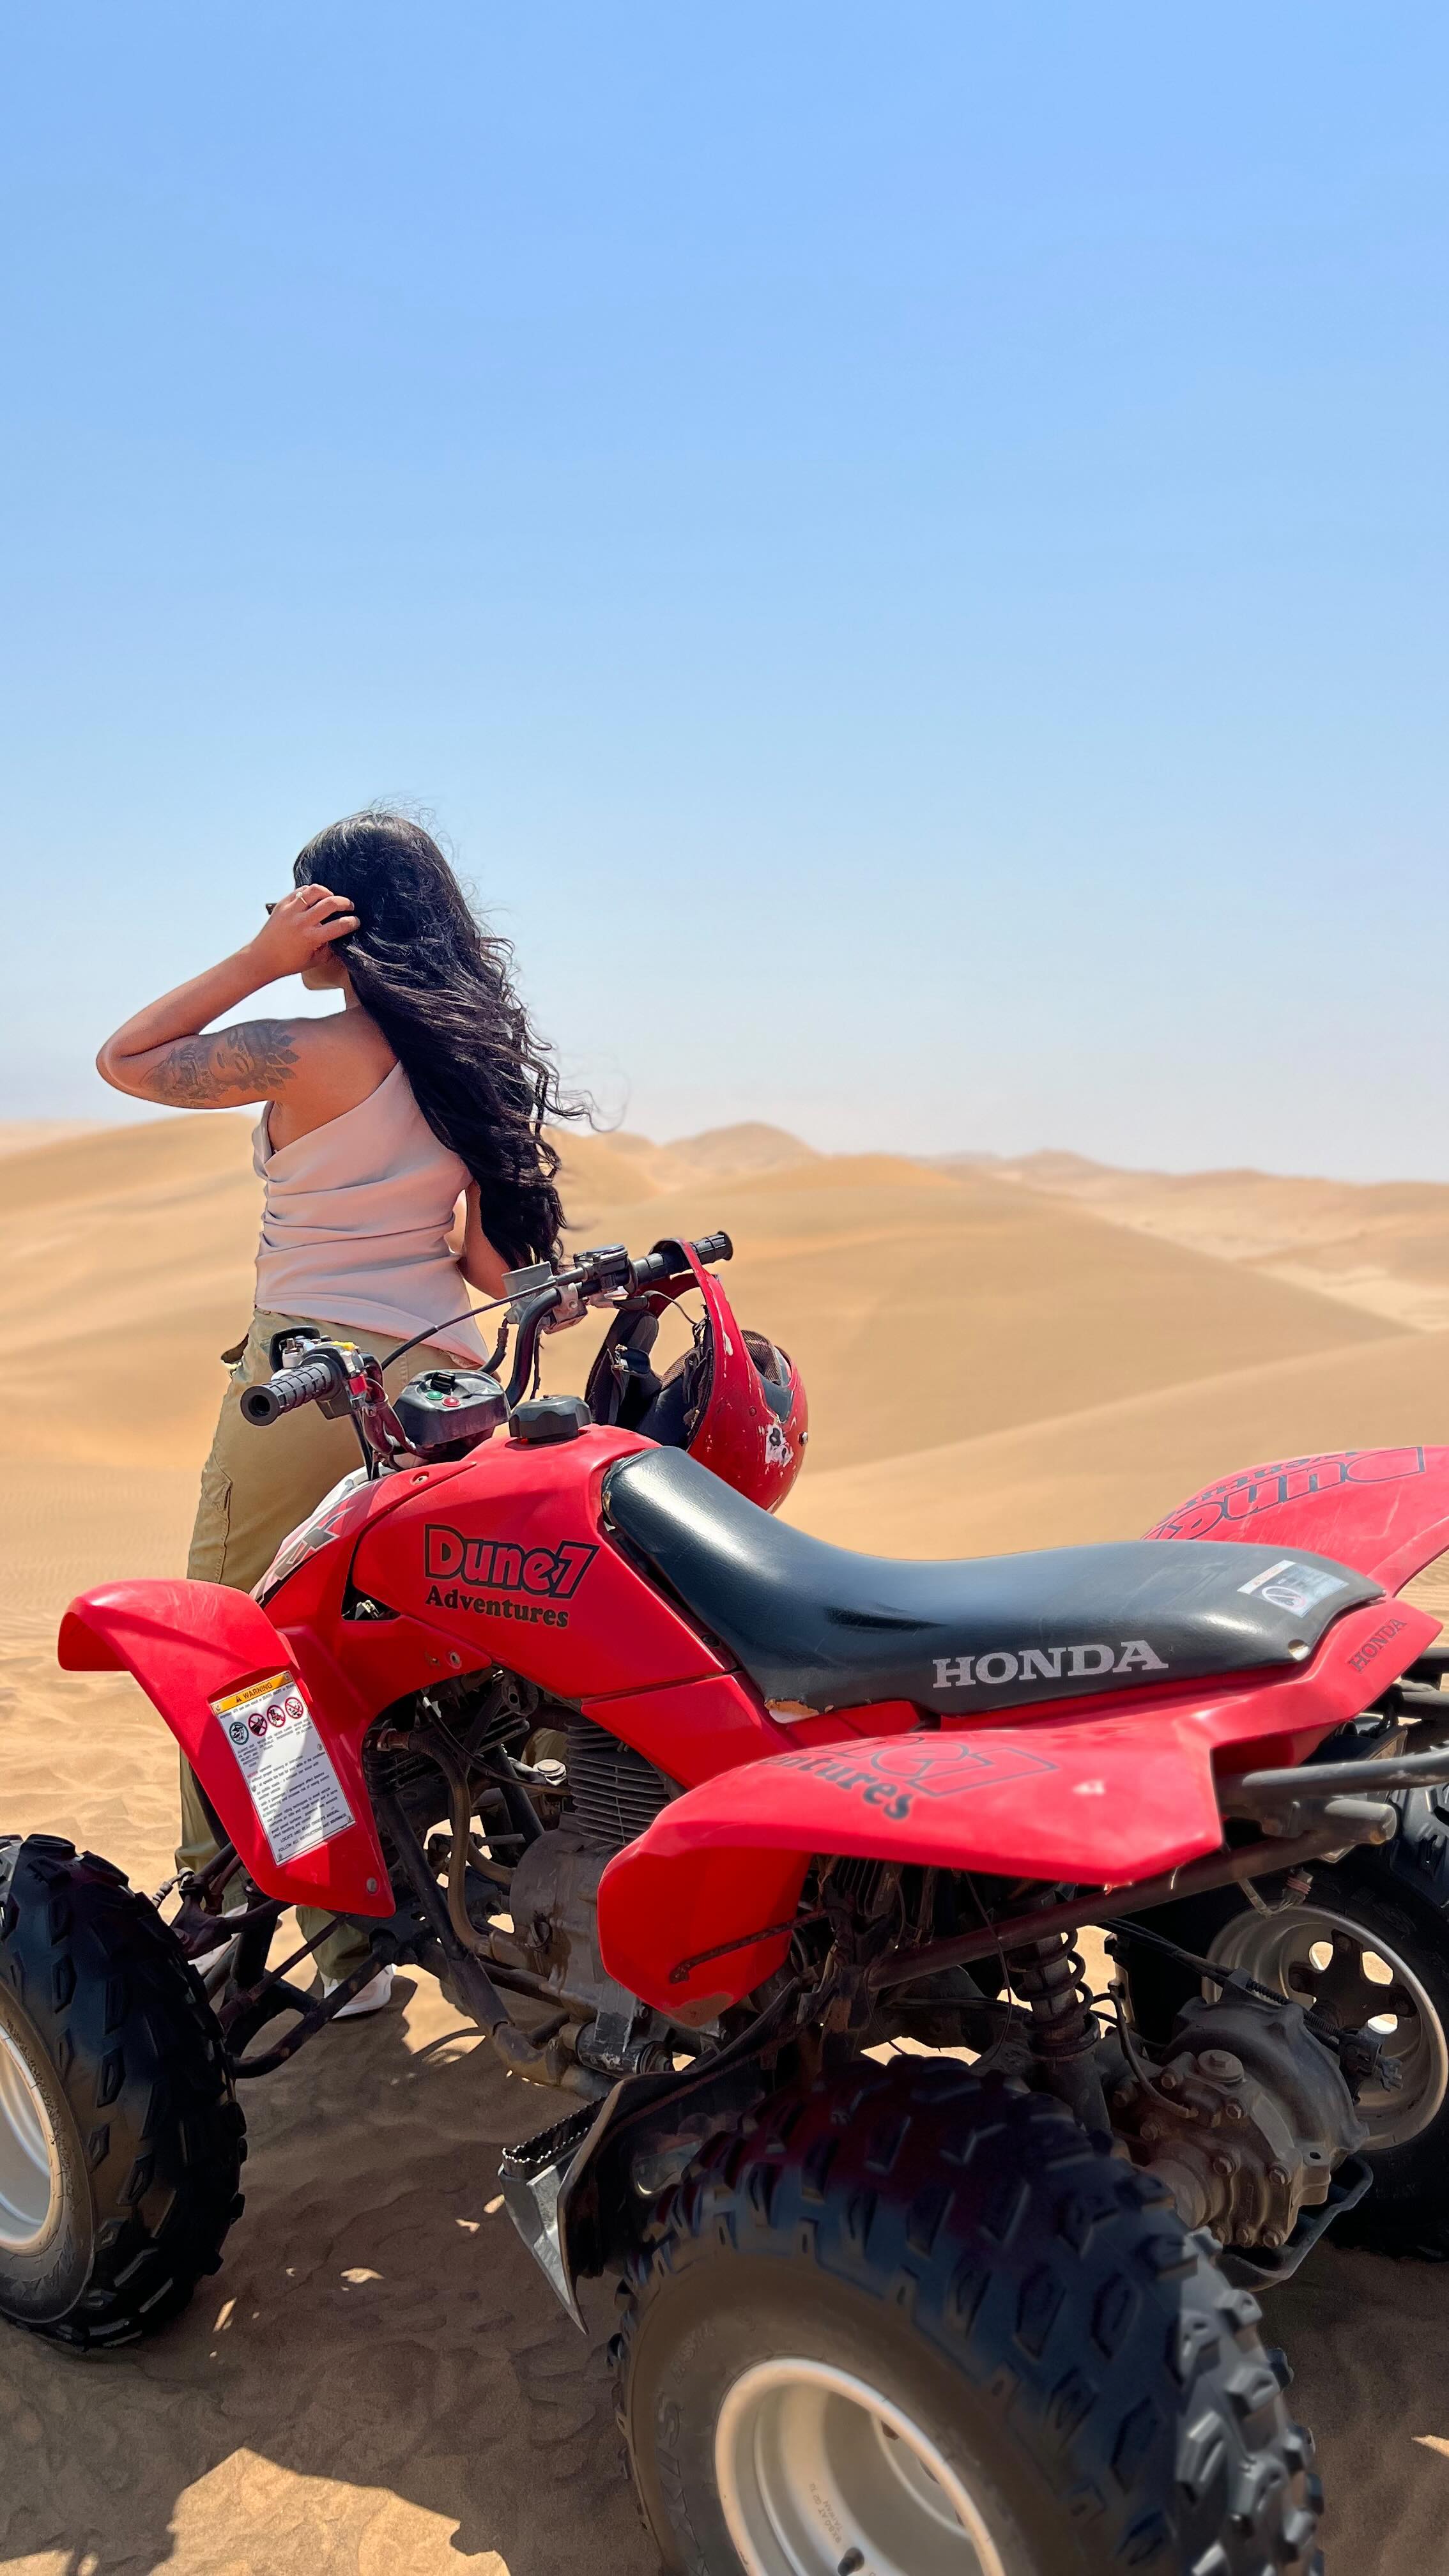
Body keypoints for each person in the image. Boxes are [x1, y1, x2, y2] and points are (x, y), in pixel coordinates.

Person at [96, 809, 578, 2012]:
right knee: (385, 1644)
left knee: (236, 1647)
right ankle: (394, 1900)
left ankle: (252, 1919)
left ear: (332, 914)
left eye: (296, 902)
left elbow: (129, 1059)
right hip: (441, 1389)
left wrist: (256, 962)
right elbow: (488, 1268)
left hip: (309, 1386)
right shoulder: (464, 1058)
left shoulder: (316, 1051)